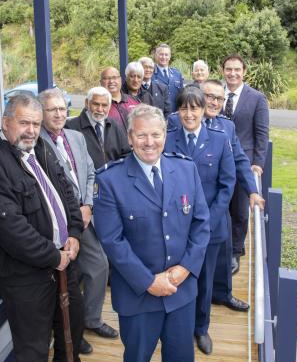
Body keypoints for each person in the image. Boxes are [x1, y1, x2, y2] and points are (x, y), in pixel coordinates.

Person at [0, 94, 84, 362]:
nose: (31, 130)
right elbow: (11, 229)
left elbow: (67, 193)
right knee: (33, 348)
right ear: (5, 122)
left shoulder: (40, 148)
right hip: (26, 274)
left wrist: (75, 233)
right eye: (24, 123)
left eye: (35, 123)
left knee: (73, 326)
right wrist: (53, 256)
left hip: (63, 261)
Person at [93, 104, 210, 362]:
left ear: (165, 135)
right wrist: (148, 281)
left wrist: (186, 268)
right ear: (130, 137)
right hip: (138, 297)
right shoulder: (110, 180)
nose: (149, 142)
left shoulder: (186, 169)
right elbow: (112, 241)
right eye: (141, 135)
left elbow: (201, 224)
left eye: (156, 135)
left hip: (181, 291)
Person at [38, 89, 118, 355]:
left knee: (98, 267)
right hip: (56, 226)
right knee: (65, 284)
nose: (60, 114)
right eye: (53, 110)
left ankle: (90, 320)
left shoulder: (76, 137)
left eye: (63, 109)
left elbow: (90, 172)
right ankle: (73, 332)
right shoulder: (36, 143)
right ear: (41, 113)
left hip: (84, 218)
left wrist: (88, 205)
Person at [163, 87, 235, 355]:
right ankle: (176, 325)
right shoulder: (168, 140)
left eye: (195, 108)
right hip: (175, 229)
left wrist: (207, 222)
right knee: (178, 276)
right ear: (178, 111)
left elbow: (227, 184)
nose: (189, 113)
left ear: (204, 110)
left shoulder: (218, 139)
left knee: (204, 280)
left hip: (210, 228)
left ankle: (201, 327)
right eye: (184, 108)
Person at [199, 79, 264, 311]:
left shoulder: (226, 127)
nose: (214, 102)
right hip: (191, 204)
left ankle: (222, 294)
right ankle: (199, 306)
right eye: (209, 97)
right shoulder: (180, 122)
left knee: (224, 252)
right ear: (199, 96)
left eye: (219, 98)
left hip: (220, 202)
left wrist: (253, 191)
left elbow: (240, 160)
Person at [221, 54, 270, 269]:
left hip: (244, 162)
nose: (232, 73)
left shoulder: (257, 98)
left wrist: (258, 163)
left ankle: (235, 251)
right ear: (222, 70)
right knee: (221, 205)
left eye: (237, 70)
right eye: (228, 69)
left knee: (240, 209)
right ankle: (221, 246)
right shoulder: (214, 94)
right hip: (218, 160)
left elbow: (261, 133)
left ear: (244, 72)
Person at [65, 86, 131, 169]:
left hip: (112, 179)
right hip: (87, 181)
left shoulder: (114, 125)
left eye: (104, 105)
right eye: (96, 104)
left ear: (109, 106)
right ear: (86, 103)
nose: (100, 109)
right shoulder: (71, 127)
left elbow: (127, 154)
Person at [100, 66, 140, 132]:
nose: (111, 81)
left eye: (114, 77)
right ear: (101, 82)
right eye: (107, 78)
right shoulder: (96, 105)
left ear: (120, 80)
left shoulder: (134, 101)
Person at [152, 43, 184, 112]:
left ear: (169, 57)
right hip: (158, 116)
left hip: (175, 115)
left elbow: (182, 96)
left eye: (166, 55)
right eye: (161, 54)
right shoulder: (151, 74)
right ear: (156, 56)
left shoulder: (177, 74)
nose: (164, 57)